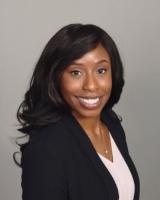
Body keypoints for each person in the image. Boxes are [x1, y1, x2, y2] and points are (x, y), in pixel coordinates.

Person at [16, 23, 140, 200]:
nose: (91, 85)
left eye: (101, 70)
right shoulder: (46, 150)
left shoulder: (111, 123)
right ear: (55, 77)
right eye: (76, 72)